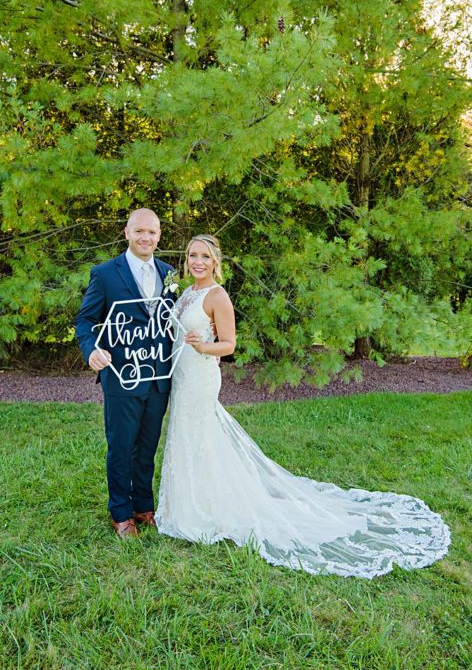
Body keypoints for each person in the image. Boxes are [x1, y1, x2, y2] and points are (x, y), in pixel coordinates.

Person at [154, 235, 451, 578]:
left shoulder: (217, 295)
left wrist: (205, 347)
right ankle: (188, 502)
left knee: (200, 434)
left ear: (216, 261)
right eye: (192, 255)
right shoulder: (186, 293)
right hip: (182, 377)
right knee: (187, 434)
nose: (198, 261)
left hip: (202, 375)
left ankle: (207, 507)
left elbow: (230, 344)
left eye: (205, 256)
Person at [76, 208, 176, 538]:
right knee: (121, 446)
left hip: (159, 376)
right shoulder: (105, 274)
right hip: (121, 375)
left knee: (148, 446)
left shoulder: (171, 273)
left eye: (152, 232)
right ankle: (121, 512)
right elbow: (86, 322)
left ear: (159, 236)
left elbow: (174, 320)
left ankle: (144, 506)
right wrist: (91, 350)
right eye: (139, 231)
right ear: (127, 233)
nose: (146, 237)